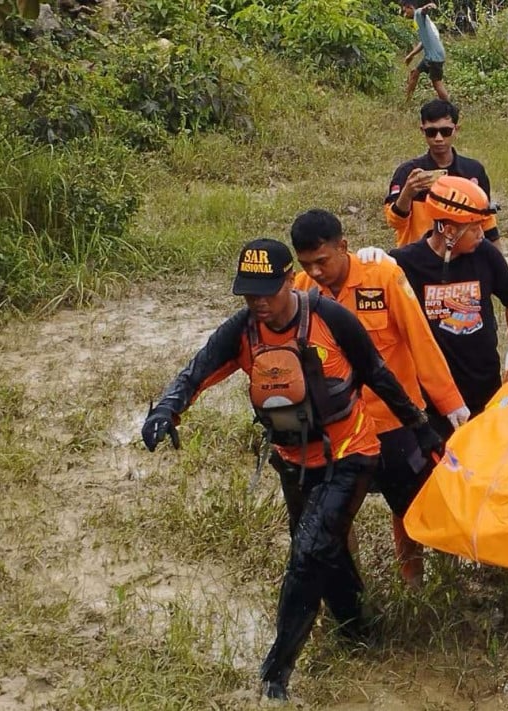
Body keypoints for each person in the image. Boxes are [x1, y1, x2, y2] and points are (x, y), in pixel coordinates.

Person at [141, 238, 442, 702]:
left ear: (288, 281)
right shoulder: (243, 331)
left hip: (351, 453)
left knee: (307, 554)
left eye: (267, 291)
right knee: (328, 549)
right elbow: (198, 370)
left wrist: (421, 430)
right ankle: (358, 629)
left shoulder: (330, 319)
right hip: (294, 460)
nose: (258, 302)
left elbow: (380, 374)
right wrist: (167, 409)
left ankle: (275, 674)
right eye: (249, 294)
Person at [290, 209, 468, 588]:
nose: (317, 272)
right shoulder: (302, 292)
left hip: (393, 419)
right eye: (307, 264)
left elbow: (420, 340)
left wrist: (450, 403)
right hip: (338, 426)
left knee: (410, 505)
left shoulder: (384, 276)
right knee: (336, 512)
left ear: (344, 247)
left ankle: (415, 581)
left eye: (322, 261)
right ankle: (351, 587)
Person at [391, 175, 508, 434]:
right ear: (449, 230)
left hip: (484, 384)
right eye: (475, 226)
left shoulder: (485, 254)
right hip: (432, 397)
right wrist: (372, 262)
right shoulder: (406, 263)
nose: (482, 233)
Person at [385, 99, 499, 248]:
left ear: (456, 130)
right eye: (431, 132)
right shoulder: (407, 173)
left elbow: (487, 222)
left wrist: (498, 265)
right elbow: (394, 222)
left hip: (463, 257)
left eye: (445, 131)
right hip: (419, 260)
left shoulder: (473, 171)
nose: (438, 138)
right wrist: (407, 194)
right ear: (422, 131)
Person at [401, 1, 450, 102]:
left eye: (405, 10)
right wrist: (410, 55)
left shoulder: (418, 13)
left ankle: (450, 108)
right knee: (414, 73)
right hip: (429, 56)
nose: (405, 14)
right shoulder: (416, 20)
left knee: (437, 83)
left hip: (435, 56)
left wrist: (428, 6)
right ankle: (407, 101)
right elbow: (423, 42)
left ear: (410, 7)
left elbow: (423, 11)